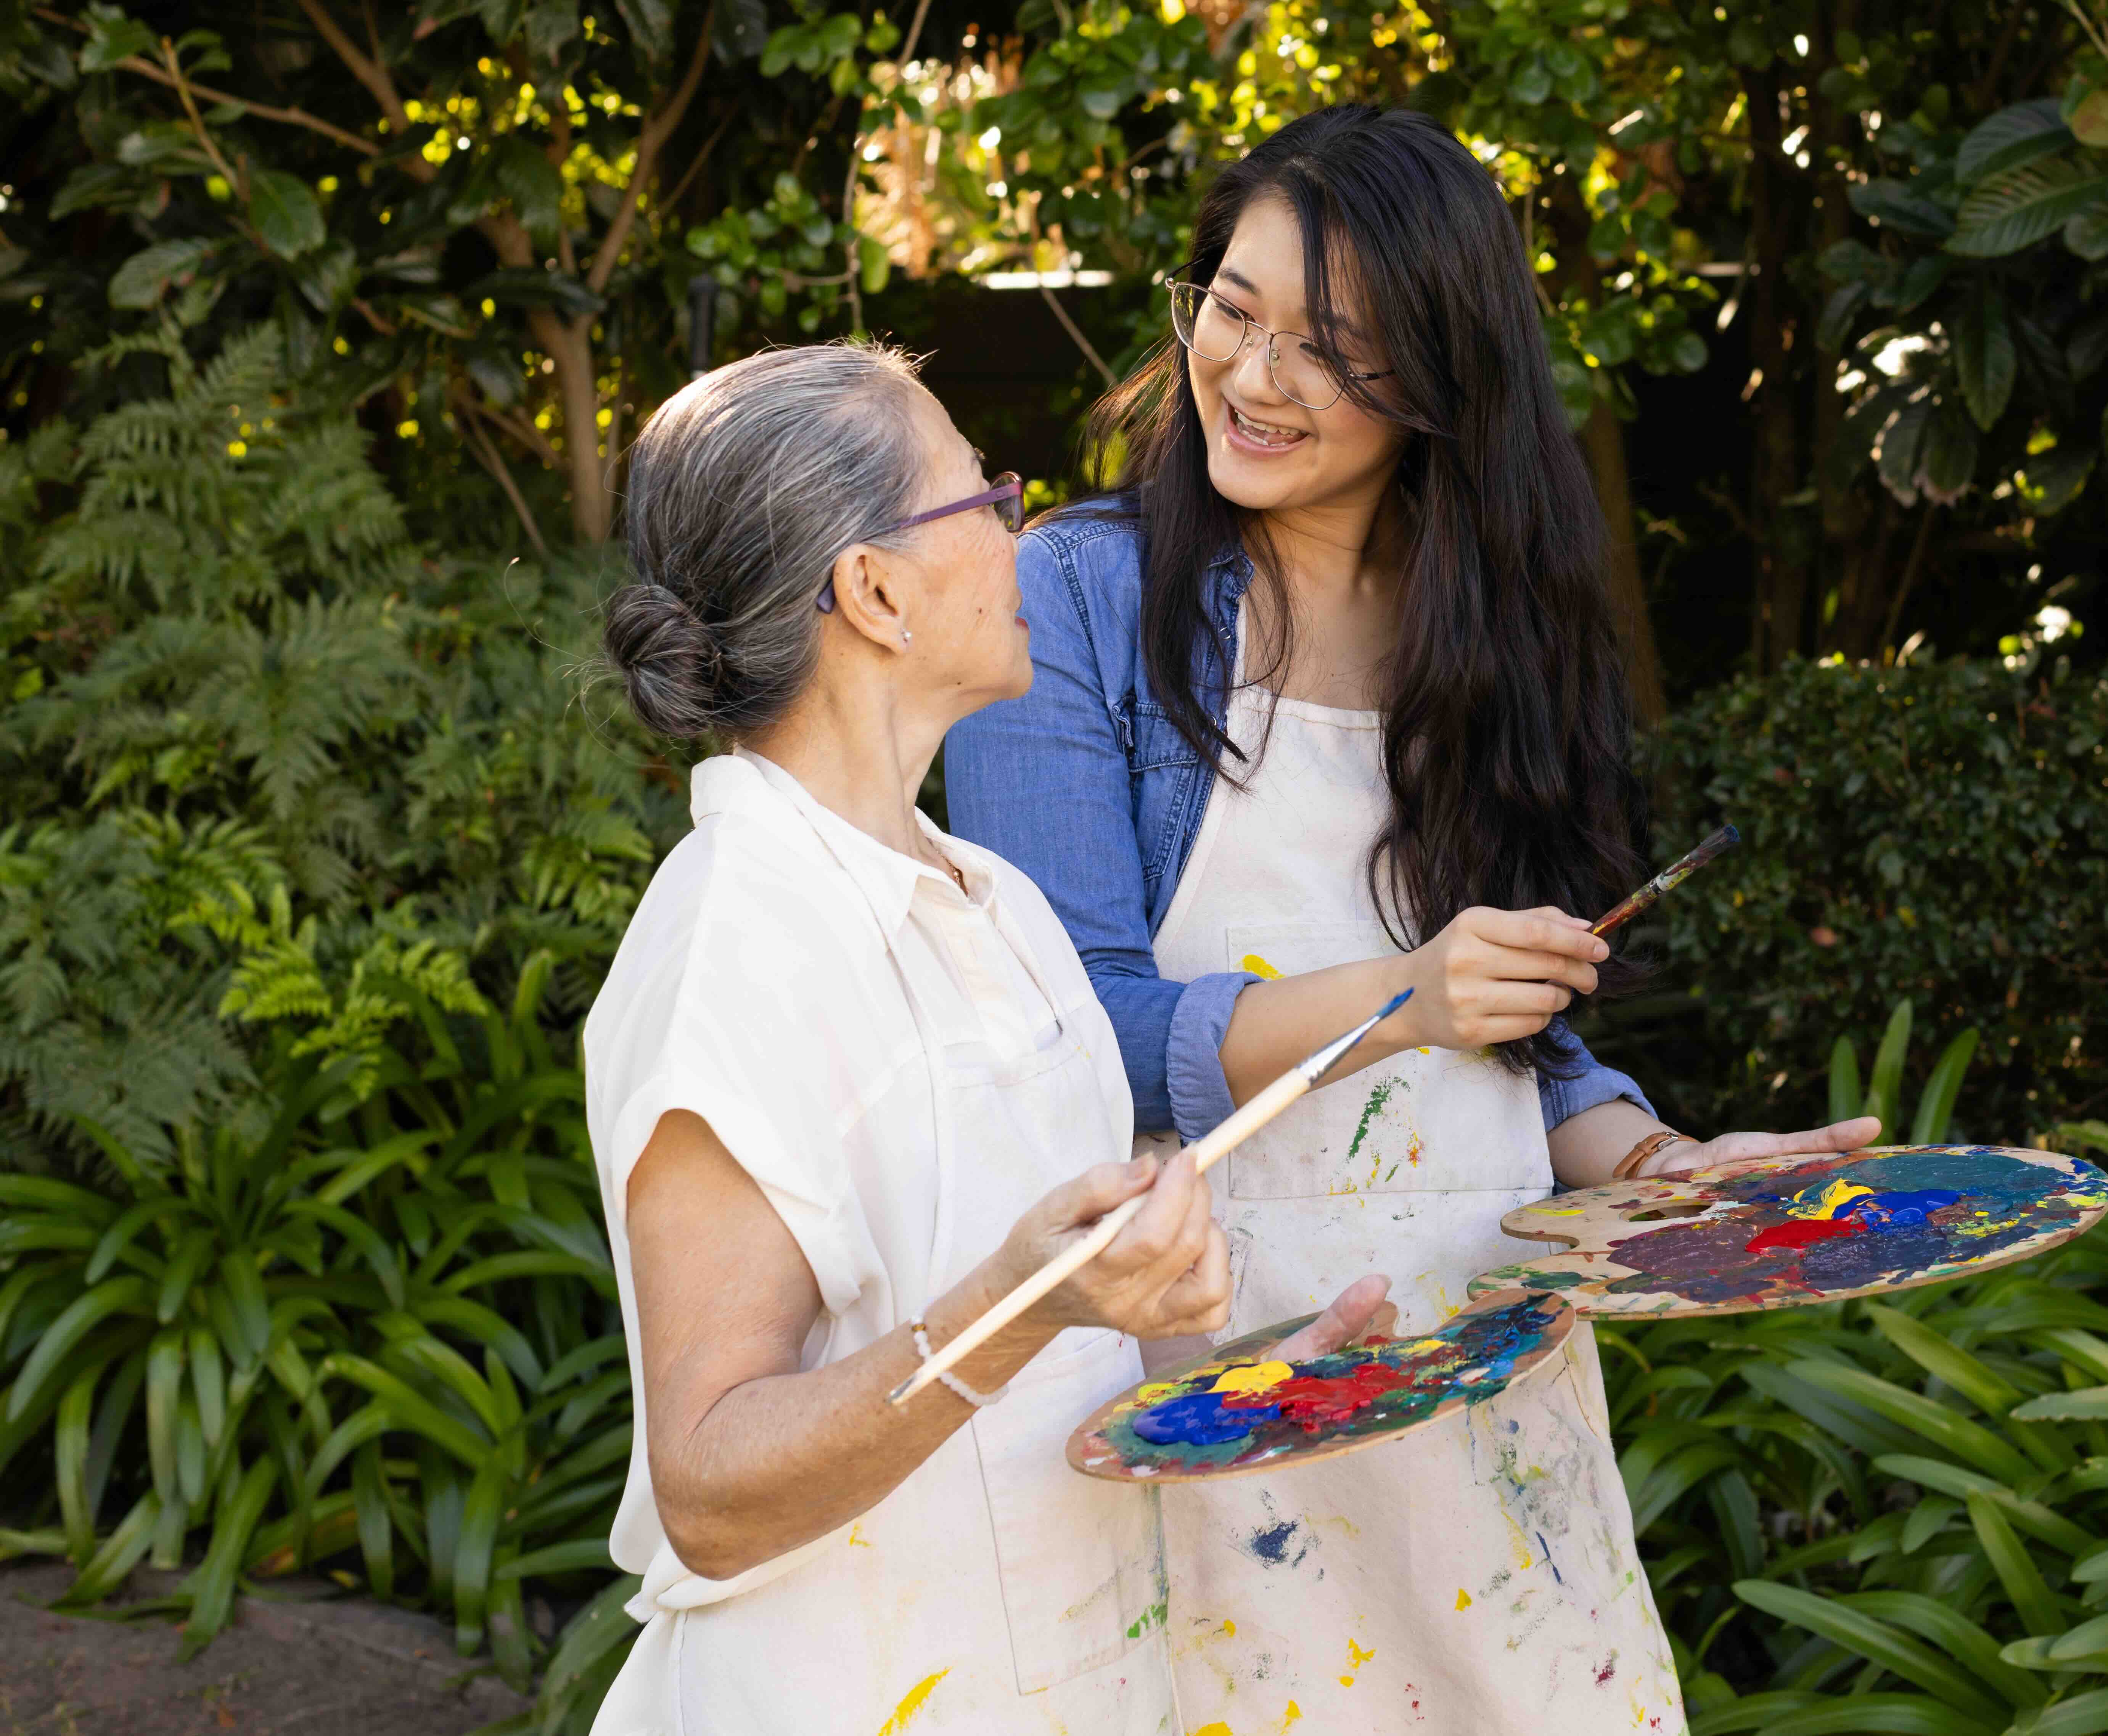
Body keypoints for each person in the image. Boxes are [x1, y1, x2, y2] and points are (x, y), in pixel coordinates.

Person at [945, 105, 1876, 1733]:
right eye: (1235, 309)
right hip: (1215, 1382)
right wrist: (1401, 998)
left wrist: (1659, 1173)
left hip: (1479, 1373)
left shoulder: (1499, 645)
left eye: (1333, 347)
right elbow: (1062, 1035)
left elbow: (1524, 1035)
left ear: (1441, 381)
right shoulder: (1072, 594)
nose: (1255, 377)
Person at [580, 342, 1389, 1736]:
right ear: (875, 591)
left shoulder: (996, 900)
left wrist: (1259, 1382)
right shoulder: (732, 944)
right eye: (986, 499)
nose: (1026, 529)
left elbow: (1064, 1333)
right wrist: (1020, 1305)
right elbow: (708, 1490)